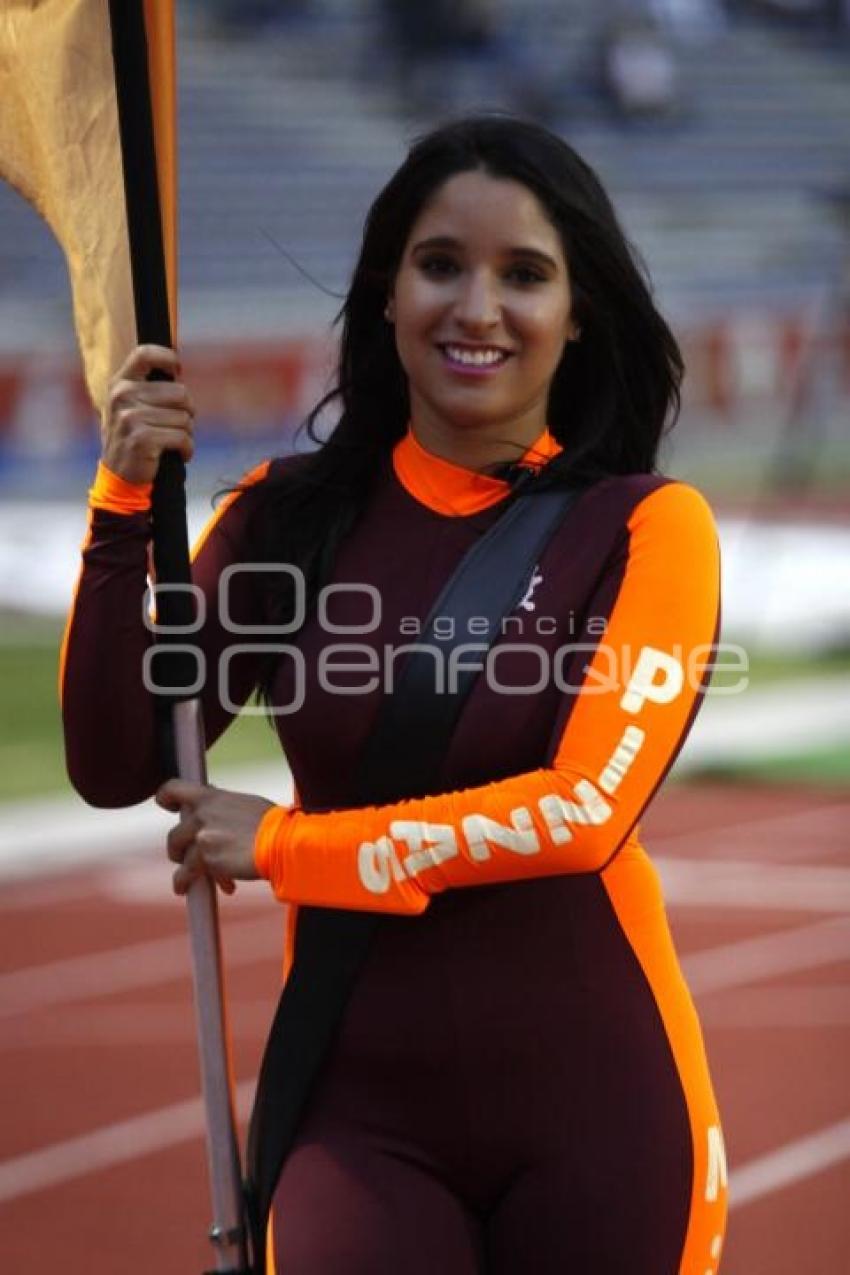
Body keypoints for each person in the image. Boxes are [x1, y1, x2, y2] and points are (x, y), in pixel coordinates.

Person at [61, 115, 728, 1274]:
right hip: (351, 1114)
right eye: (439, 265)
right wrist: (123, 503)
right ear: (384, 292)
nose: (477, 307)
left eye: (524, 275)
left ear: (578, 314)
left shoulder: (644, 528)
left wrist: (287, 849)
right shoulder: (284, 519)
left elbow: (579, 814)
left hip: (600, 1112)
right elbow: (118, 762)